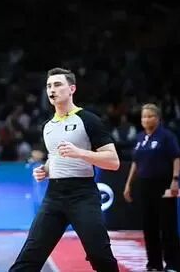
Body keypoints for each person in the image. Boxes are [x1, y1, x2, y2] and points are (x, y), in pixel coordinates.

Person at [10, 68, 120, 272]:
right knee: (29, 257)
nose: (52, 89)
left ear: (72, 89)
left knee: (100, 255)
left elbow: (113, 162)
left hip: (83, 195)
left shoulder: (88, 120)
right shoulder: (48, 126)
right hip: (54, 196)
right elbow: (55, 156)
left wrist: (80, 153)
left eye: (58, 84)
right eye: (49, 86)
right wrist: (45, 169)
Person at [123, 103, 180, 271]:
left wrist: (175, 179)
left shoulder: (166, 136)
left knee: (167, 225)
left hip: (163, 184)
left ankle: (173, 264)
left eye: (150, 116)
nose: (146, 119)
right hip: (145, 184)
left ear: (158, 118)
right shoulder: (140, 137)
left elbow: (176, 158)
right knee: (149, 226)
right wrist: (128, 184)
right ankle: (154, 264)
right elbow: (135, 162)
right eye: (144, 117)